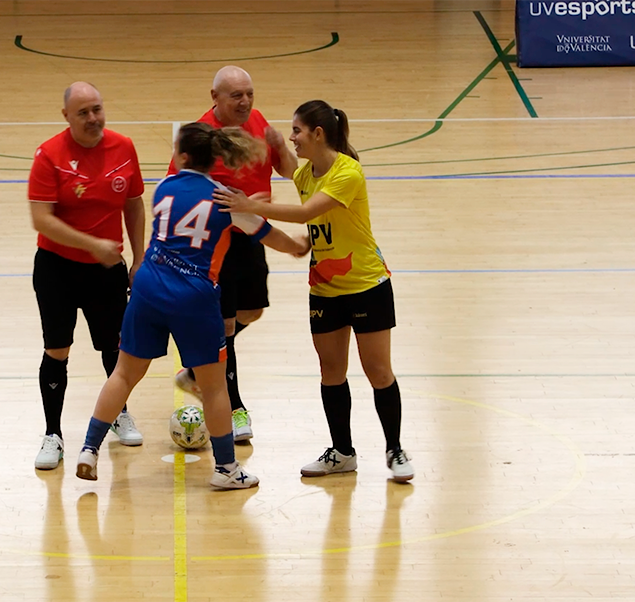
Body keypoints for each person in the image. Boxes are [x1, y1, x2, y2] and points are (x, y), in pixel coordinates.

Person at [75, 122, 308, 489]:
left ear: (181, 156)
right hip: (194, 294)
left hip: (149, 285)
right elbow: (268, 235)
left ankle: (89, 449)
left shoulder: (164, 188)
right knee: (214, 387)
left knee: (123, 374)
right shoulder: (225, 198)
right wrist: (296, 246)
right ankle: (227, 470)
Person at [213, 99, 415, 482]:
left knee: (377, 371)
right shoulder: (308, 174)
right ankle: (342, 452)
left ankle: (395, 448)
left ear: (318, 134)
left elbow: (307, 213)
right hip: (324, 289)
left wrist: (247, 206)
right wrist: (271, 145)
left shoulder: (348, 172)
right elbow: (293, 171)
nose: (293, 137)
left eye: (296, 131)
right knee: (331, 371)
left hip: (366, 284)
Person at [169, 65, 298, 443]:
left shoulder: (258, 121)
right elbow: (179, 188)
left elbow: (291, 173)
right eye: (236, 96)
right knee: (224, 327)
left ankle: (197, 367)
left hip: (253, 236)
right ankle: (235, 408)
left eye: (249, 94)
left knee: (251, 312)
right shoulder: (200, 137)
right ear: (215, 98)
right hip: (217, 242)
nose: (245, 102)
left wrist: (279, 147)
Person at [28, 81, 146, 471]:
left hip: (107, 271)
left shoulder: (123, 147)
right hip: (57, 269)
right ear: (66, 116)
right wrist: (91, 244)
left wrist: (139, 256)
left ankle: (118, 414)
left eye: (97, 108)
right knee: (57, 350)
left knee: (115, 348)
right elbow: (41, 219)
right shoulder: (49, 155)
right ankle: (53, 434)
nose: (93, 118)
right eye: (83, 113)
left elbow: (133, 203)